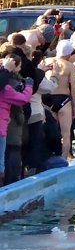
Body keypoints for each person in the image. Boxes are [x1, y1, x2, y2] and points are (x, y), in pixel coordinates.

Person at [0, 55, 33, 186]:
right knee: (1, 164)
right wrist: (29, 85)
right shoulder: (6, 89)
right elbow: (23, 99)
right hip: (2, 129)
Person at [44, 39, 75, 159]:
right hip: (63, 100)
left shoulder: (46, 62)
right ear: (69, 53)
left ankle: (51, 157)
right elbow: (74, 88)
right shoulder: (69, 66)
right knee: (66, 134)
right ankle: (63, 160)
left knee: (51, 132)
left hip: (48, 99)